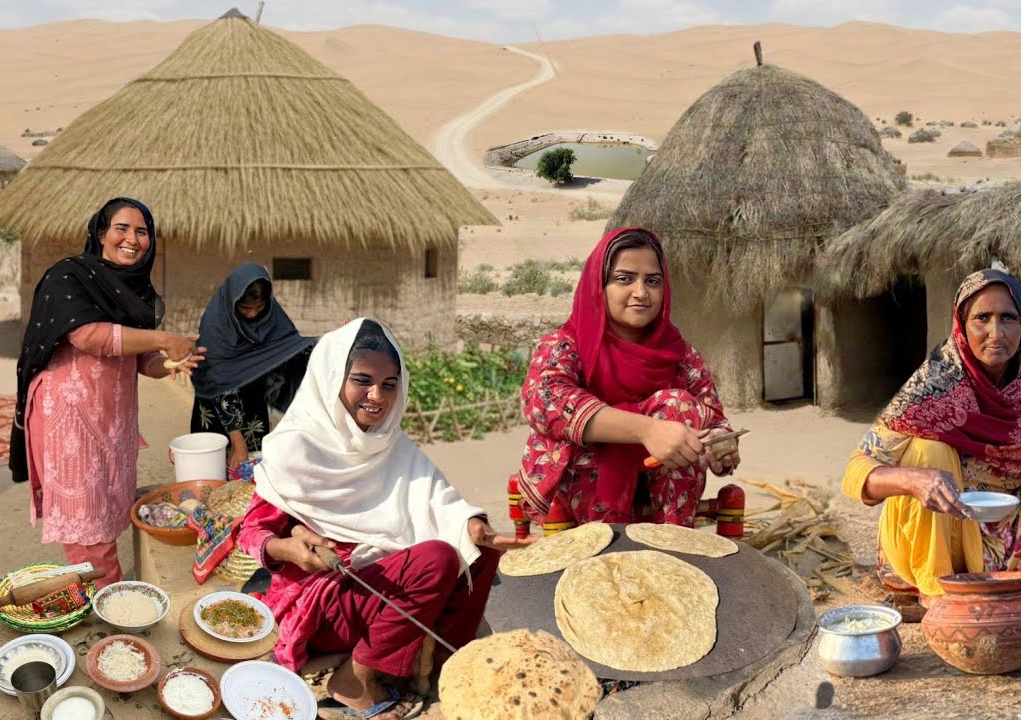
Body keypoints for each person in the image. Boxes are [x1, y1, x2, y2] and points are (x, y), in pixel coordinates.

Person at [237, 318, 531, 720]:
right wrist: (286, 548)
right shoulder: (296, 448)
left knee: (477, 551)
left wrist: (471, 526)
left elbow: (437, 498)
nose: (377, 396)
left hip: (380, 591)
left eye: (389, 384)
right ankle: (354, 679)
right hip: (326, 603)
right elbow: (252, 531)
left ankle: (444, 664)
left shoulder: (391, 444)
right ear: (332, 379)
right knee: (438, 560)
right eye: (362, 381)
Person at [842, 269, 1021, 607]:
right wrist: (912, 480)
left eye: (1008, 318)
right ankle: (935, 588)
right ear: (962, 323)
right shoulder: (933, 384)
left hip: (1011, 538)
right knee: (929, 450)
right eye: (982, 318)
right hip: (946, 533)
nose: (996, 333)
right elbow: (855, 471)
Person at [12, 197, 205, 587]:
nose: (132, 239)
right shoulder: (69, 276)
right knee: (90, 532)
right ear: (101, 233)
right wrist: (165, 339)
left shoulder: (139, 292)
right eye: (122, 228)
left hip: (112, 425)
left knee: (107, 516)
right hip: (69, 421)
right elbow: (88, 336)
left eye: (142, 231)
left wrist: (170, 363)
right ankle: (113, 604)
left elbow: (143, 360)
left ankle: (100, 595)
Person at [515, 227, 740, 527]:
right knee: (673, 410)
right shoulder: (566, 345)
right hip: (585, 485)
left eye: (653, 281)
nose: (641, 293)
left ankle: (672, 540)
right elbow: (543, 403)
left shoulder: (679, 353)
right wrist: (647, 430)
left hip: (663, 489)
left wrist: (719, 448)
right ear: (599, 285)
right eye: (624, 279)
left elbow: (714, 419)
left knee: (680, 408)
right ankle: (606, 540)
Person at [190, 263, 314, 473]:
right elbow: (220, 382)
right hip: (216, 407)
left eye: (259, 307)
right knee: (213, 472)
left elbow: (293, 349)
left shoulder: (273, 317)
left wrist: (336, 343)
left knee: (251, 474)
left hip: (252, 403)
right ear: (232, 302)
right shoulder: (215, 326)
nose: (252, 315)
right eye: (245, 309)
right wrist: (237, 441)